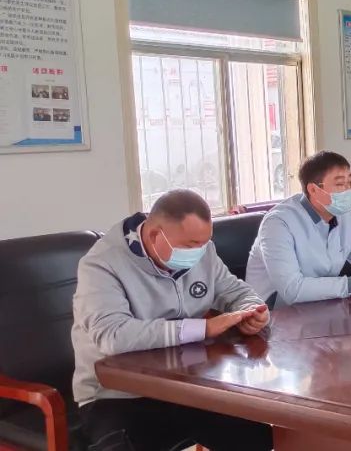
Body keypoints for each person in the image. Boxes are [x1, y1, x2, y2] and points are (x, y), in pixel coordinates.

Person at [72, 189, 272, 451]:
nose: (199, 252)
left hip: (187, 385)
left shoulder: (203, 251)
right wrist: (203, 328)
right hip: (116, 394)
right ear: (155, 235)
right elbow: (113, 336)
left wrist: (253, 312)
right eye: (190, 246)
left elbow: (236, 291)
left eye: (204, 243)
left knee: (257, 438)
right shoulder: (102, 264)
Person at [246, 151, 351, 306]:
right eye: (340, 184)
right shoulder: (278, 223)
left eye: (350, 183)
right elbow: (292, 289)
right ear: (313, 190)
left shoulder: (343, 215)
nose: (348, 190)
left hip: (320, 304)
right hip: (273, 311)